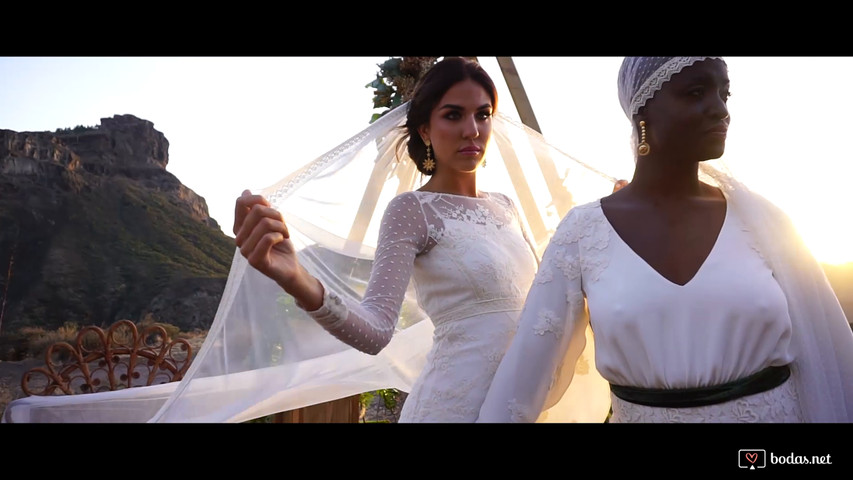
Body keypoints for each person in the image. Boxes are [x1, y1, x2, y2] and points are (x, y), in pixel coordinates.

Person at [477, 56, 853, 423]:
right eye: (696, 92)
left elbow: (829, 354)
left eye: (725, 94)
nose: (720, 110)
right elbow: (527, 369)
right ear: (642, 111)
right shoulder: (583, 233)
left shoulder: (764, 221)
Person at [232, 56, 598, 422]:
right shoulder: (411, 211)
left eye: (482, 114)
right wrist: (296, 279)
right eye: (453, 115)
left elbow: (543, 303)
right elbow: (375, 331)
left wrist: (612, 228)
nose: (472, 129)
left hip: (516, 406)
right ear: (425, 129)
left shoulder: (506, 207)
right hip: (450, 408)